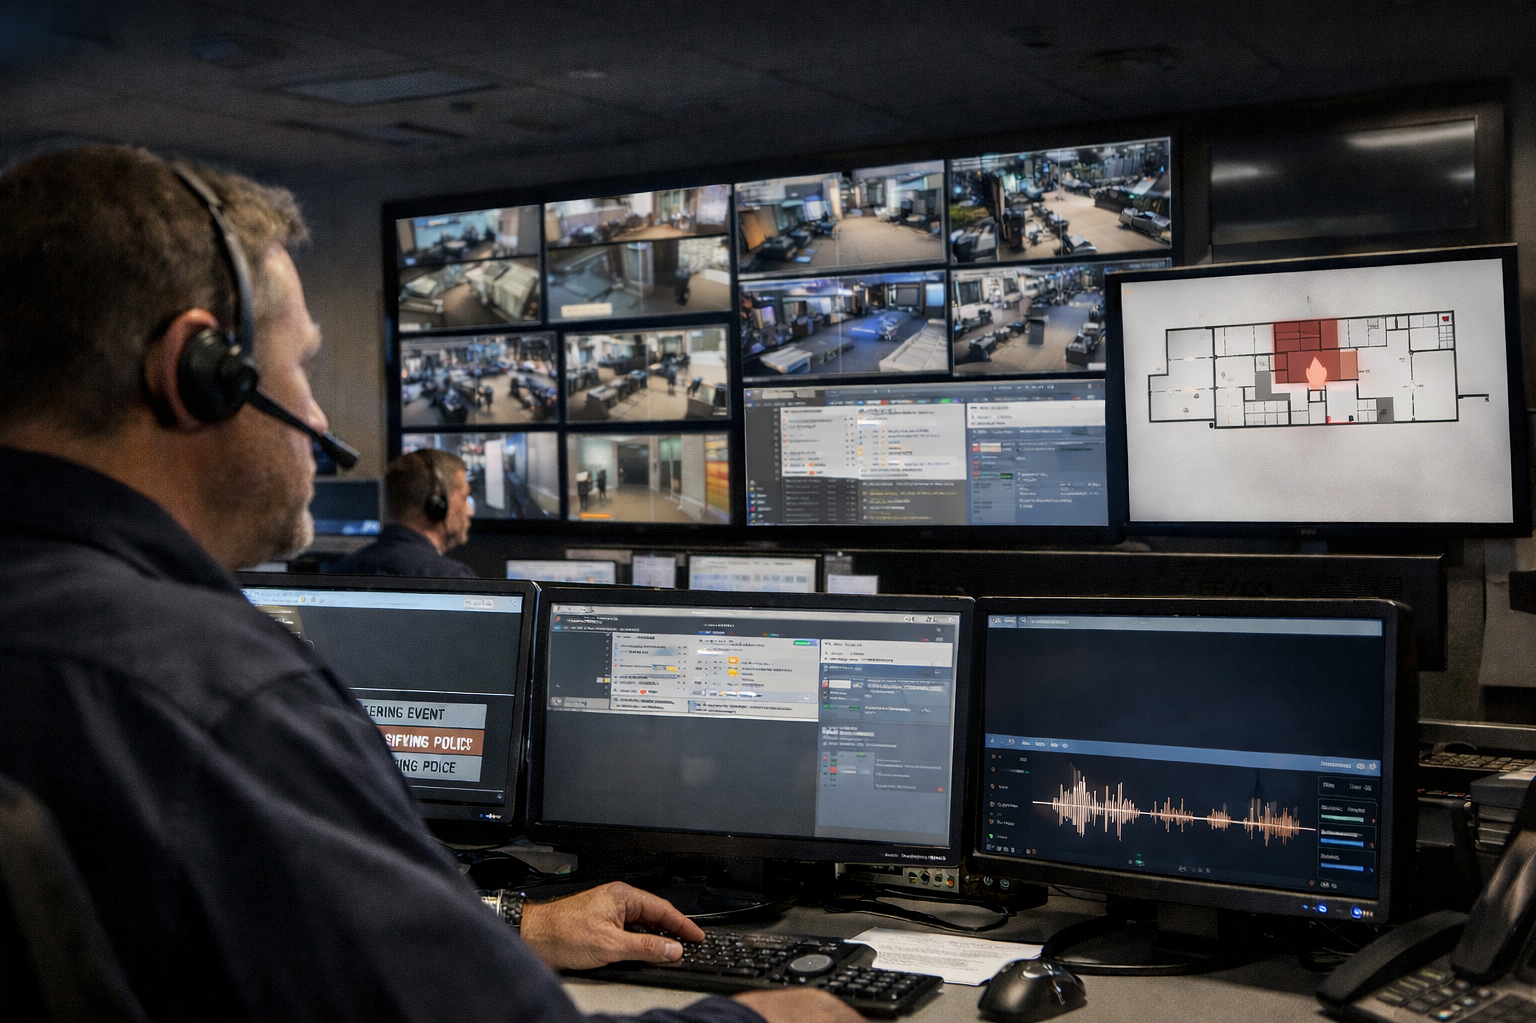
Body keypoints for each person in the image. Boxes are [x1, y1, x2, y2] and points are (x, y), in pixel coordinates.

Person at [0, 145, 855, 1023]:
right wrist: (760, 1019)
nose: (322, 419)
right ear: (196, 373)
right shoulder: (214, 696)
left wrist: (505, 924)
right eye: (302, 366)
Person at [327, 448, 478, 578]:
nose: (470, 511)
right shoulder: (453, 578)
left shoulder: (339, 571)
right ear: (437, 504)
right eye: (465, 498)